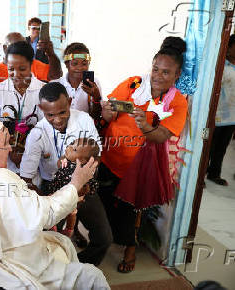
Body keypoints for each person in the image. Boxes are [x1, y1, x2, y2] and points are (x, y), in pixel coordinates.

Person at [0, 117, 110, 289]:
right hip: (5, 268)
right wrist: (76, 183)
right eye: (6, 143)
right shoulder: (0, 180)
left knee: (61, 243)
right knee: (92, 276)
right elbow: (47, 214)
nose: (9, 149)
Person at [100, 36, 188, 273]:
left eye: (166, 73)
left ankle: (130, 250)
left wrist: (145, 127)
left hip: (138, 165)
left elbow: (162, 136)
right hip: (110, 156)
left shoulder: (177, 102)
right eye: (156, 69)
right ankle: (109, 238)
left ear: (177, 75)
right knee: (106, 201)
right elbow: (107, 115)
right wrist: (108, 110)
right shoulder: (133, 84)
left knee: (131, 209)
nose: (158, 76)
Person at [20, 82, 112, 266]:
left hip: (84, 186)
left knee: (104, 238)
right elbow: (26, 178)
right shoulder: (36, 133)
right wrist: (46, 202)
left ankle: (78, 269)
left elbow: (97, 155)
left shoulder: (84, 119)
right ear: (41, 109)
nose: (57, 119)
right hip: (52, 188)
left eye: (62, 112)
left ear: (69, 102)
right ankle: (58, 271)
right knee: (48, 244)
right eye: (50, 115)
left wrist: (83, 186)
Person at [0, 41, 45, 174]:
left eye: (22, 69)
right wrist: (11, 151)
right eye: (11, 69)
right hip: (6, 163)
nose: (16, 74)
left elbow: (46, 128)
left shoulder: (43, 90)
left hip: (36, 162)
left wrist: (27, 151)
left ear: (31, 65)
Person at [46, 138, 100, 238]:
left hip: (70, 198)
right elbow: (59, 165)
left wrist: (86, 191)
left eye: (74, 150)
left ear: (82, 160)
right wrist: (62, 160)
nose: (69, 148)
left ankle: (69, 230)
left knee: (70, 214)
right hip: (57, 193)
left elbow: (92, 184)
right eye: (71, 144)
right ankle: (54, 227)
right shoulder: (67, 161)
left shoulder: (83, 171)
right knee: (57, 211)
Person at [0, 32, 62, 100]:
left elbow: (55, 75)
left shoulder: (33, 64)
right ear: (5, 48)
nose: (21, 51)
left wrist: (50, 54)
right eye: (15, 47)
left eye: (23, 46)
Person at [50, 43, 103, 126]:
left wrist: (96, 97)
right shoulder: (56, 85)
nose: (80, 68)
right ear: (67, 64)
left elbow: (95, 116)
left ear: (89, 64)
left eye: (84, 64)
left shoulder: (94, 83)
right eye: (75, 64)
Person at [207, 34, 235, 186]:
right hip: (217, 114)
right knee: (209, 146)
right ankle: (201, 174)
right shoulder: (221, 66)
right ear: (229, 47)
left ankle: (214, 173)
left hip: (232, 116)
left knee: (222, 148)